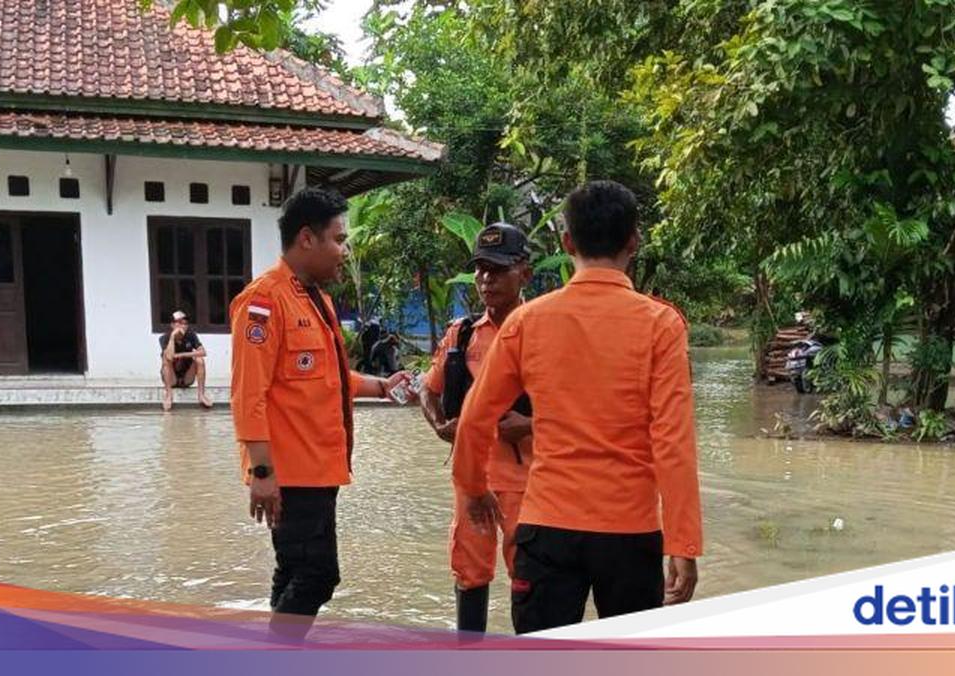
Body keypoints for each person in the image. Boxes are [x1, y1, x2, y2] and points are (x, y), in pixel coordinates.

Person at [451, 180, 703, 634]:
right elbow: (674, 444)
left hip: (547, 527)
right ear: (634, 242)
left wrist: (472, 489)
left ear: (567, 242)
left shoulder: (529, 322)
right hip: (631, 532)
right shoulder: (661, 325)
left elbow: (473, 419)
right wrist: (683, 544)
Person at [229, 188, 413, 640]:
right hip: (291, 474)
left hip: (319, 469)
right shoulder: (264, 303)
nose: (345, 251)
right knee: (318, 576)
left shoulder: (315, 300)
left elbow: (326, 377)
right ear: (307, 239)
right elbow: (247, 394)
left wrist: (380, 387)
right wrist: (263, 471)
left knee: (293, 569)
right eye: (338, 239)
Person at [420, 223, 534, 633]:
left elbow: (586, 411)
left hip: (530, 483)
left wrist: (532, 425)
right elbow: (427, 390)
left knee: (529, 578)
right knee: (469, 572)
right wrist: (440, 426)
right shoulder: (462, 333)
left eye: (498, 269)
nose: (486, 279)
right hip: (472, 482)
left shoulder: (545, 329)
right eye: (481, 269)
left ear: (525, 273)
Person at [158, 310, 212, 411]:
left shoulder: (191, 335)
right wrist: (173, 337)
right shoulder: (165, 337)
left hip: (187, 378)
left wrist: (182, 355)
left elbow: (203, 352)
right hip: (171, 379)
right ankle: (169, 395)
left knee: (199, 359)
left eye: (185, 323)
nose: (183, 326)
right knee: (165, 358)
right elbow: (169, 357)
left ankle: (201, 395)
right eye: (179, 323)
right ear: (172, 325)